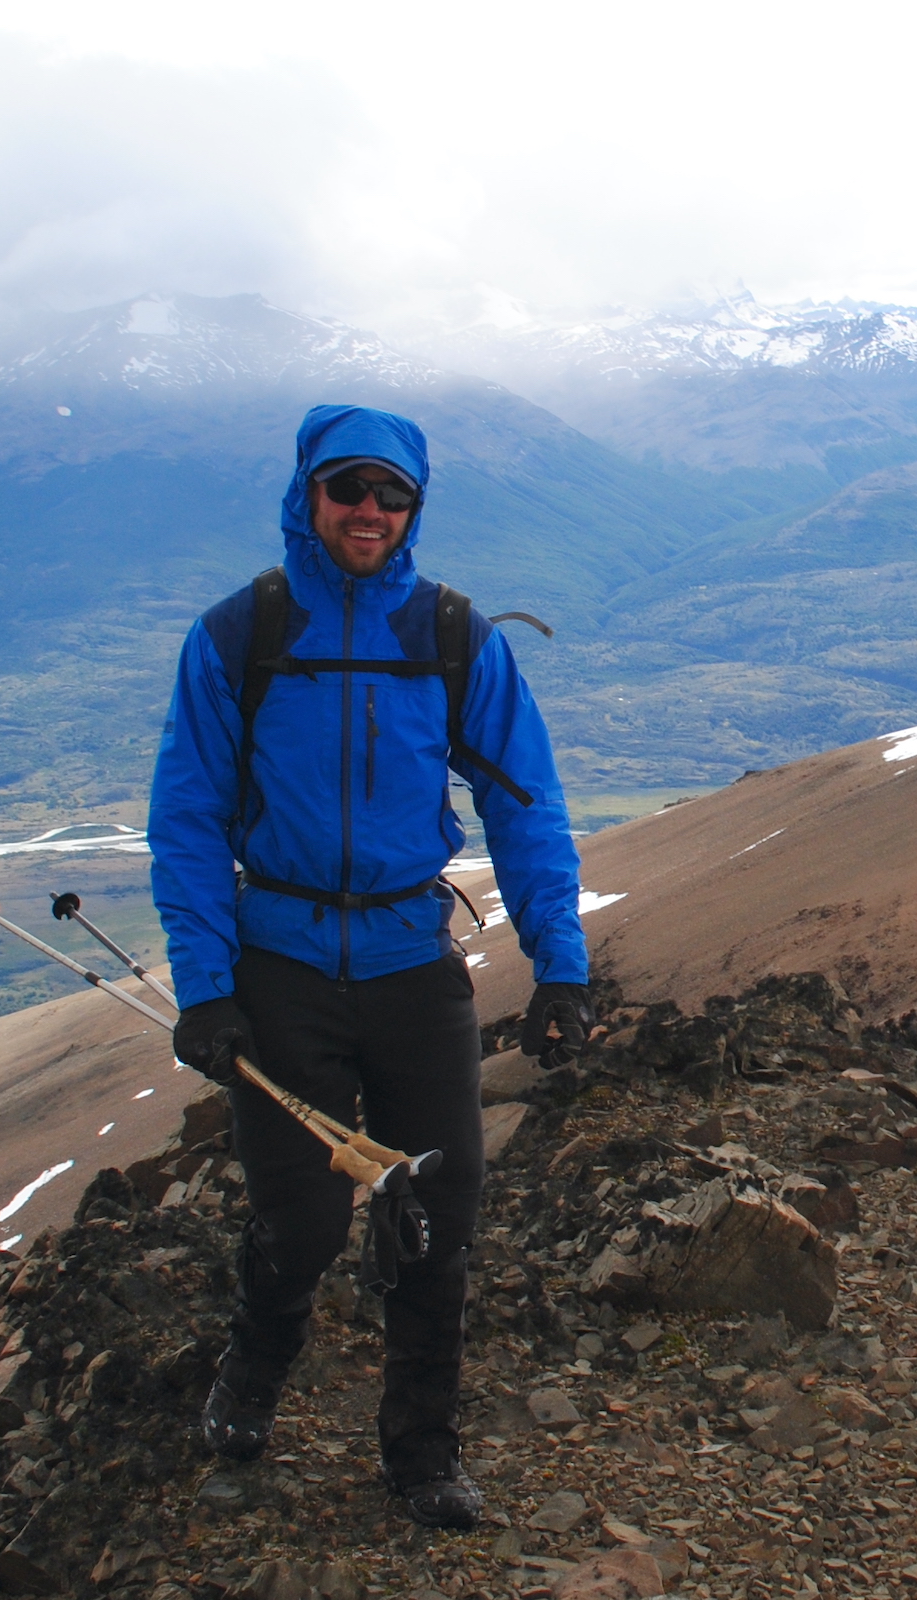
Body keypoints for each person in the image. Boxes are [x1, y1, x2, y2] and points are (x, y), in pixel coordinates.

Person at [147, 403, 595, 1529]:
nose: (370, 512)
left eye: (392, 496)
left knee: (440, 1215)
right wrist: (206, 989)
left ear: (416, 509)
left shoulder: (450, 638)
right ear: (308, 493)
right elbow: (189, 818)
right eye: (350, 489)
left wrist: (564, 965)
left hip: (410, 967)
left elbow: (524, 808)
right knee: (299, 1220)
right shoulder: (239, 634)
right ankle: (252, 1376)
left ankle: (422, 1454)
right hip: (280, 970)